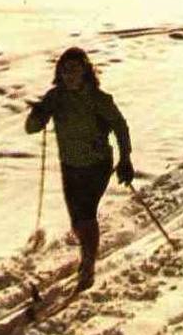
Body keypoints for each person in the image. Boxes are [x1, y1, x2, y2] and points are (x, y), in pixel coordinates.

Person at [25, 46, 134, 290]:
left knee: (86, 215)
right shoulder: (55, 97)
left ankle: (88, 264)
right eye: (65, 70)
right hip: (70, 165)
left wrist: (125, 159)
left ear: (86, 71)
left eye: (74, 70)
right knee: (76, 220)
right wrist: (37, 114)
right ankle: (88, 252)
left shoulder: (99, 99)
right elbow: (32, 128)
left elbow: (120, 126)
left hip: (96, 164)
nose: (69, 75)